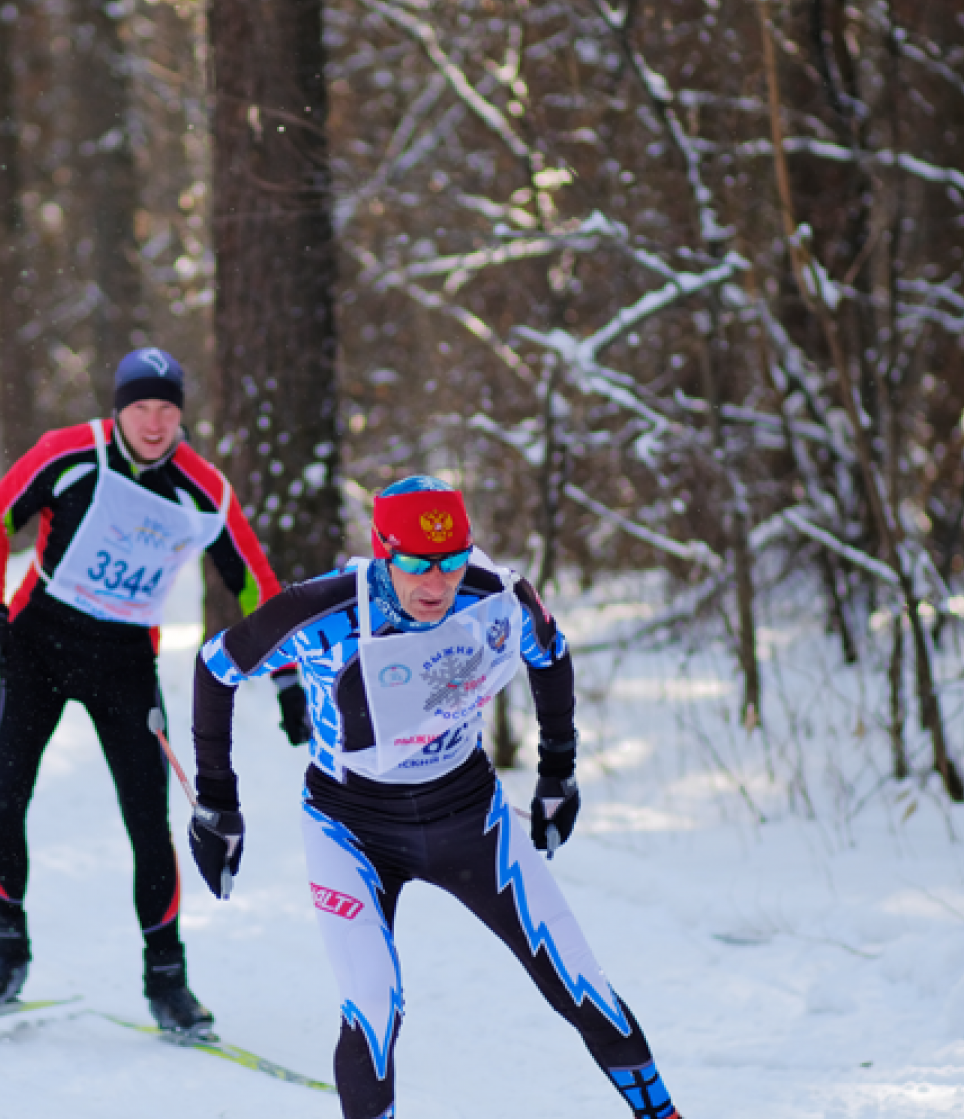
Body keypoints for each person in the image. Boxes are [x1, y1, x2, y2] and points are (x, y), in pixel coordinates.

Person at [188, 476, 682, 1119]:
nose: (436, 584)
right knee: (373, 1004)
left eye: (451, 562)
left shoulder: (496, 595)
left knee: (578, 979)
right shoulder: (322, 610)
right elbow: (214, 667)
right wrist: (218, 803)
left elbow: (551, 655)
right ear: (382, 550)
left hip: (470, 816)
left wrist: (559, 771)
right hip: (349, 828)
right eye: (417, 564)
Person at [0, 346, 309, 1036]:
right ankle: (5, 949)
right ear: (117, 408)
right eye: (140, 407)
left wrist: (287, 676)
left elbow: (250, 577)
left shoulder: (202, 487)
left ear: (181, 413)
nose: (153, 423)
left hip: (124, 659)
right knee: (7, 795)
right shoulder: (68, 452)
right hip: (38, 644)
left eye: (167, 408)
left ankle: (167, 978)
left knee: (148, 821)